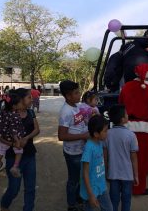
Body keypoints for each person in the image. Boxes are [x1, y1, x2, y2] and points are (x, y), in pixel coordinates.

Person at [119, 63, 148, 195]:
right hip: (145, 130)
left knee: (125, 158)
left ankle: (123, 186)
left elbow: (120, 103)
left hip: (127, 128)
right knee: (142, 159)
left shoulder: (126, 86)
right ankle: (138, 188)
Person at [0, 88, 40, 211]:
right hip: (13, 157)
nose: (32, 99)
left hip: (30, 155)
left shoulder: (31, 113)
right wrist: (12, 143)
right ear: (20, 99)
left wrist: (26, 138)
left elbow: (37, 130)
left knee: (30, 188)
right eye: (29, 97)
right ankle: (4, 205)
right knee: (14, 188)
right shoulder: (7, 114)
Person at [58, 80, 89, 211]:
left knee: (81, 177)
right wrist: (83, 136)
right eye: (76, 93)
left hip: (81, 149)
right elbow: (62, 136)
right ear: (68, 96)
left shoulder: (76, 106)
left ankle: (78, 198)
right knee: (73, 180)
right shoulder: (66, 111)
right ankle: (72, 205)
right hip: (72, 153)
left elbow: (79, 123)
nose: (79, 94)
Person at [104, 105, 139, 211]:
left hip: (113, 174)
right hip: (127, 176)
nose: (128, 115)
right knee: (126, 199)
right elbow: (134, 158)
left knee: (113, 199)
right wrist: (136, 175)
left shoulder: (107, 134)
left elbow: (104, 156)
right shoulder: (131, 135)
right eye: (126, 114)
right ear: (123, 119)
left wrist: (106, 172)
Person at [80, 115, 113, 211]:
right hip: (91, 190)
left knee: (108, 208)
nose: (107, 133)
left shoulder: (100, 143)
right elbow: (85, 173)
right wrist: (91, 195)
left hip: (101, 186)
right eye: (105, 131)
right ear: (96, 134)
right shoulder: (89, 148)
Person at [0, 91, 25, 177]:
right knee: (19, 151)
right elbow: (13, 129)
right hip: (13, 137)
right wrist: (17, 140)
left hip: (3, 136)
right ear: (14, 106)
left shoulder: (3, 112)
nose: (21, 104)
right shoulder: (15, 115)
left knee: (1, 151)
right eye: (19, 103)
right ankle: (15, 167)